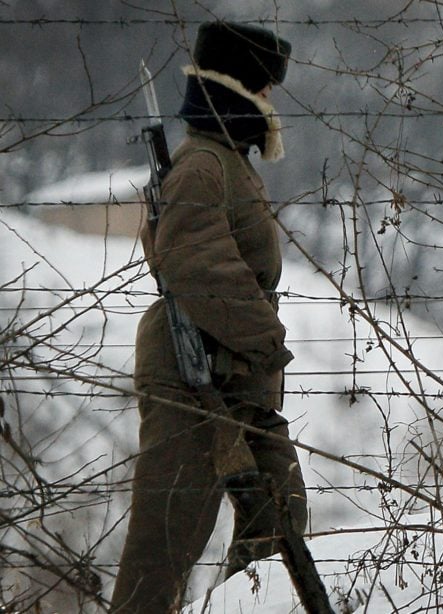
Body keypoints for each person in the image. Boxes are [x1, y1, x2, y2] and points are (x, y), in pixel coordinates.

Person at [111, 22, 307, 612]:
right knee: (162, 553)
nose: (270, 100)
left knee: (278, 522)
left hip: (234, 380)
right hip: (193, 380)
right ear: (242, 89)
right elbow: (197, 266)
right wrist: (268, 340)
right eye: (265, 88)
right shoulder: (204, 166)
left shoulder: (225, 161)